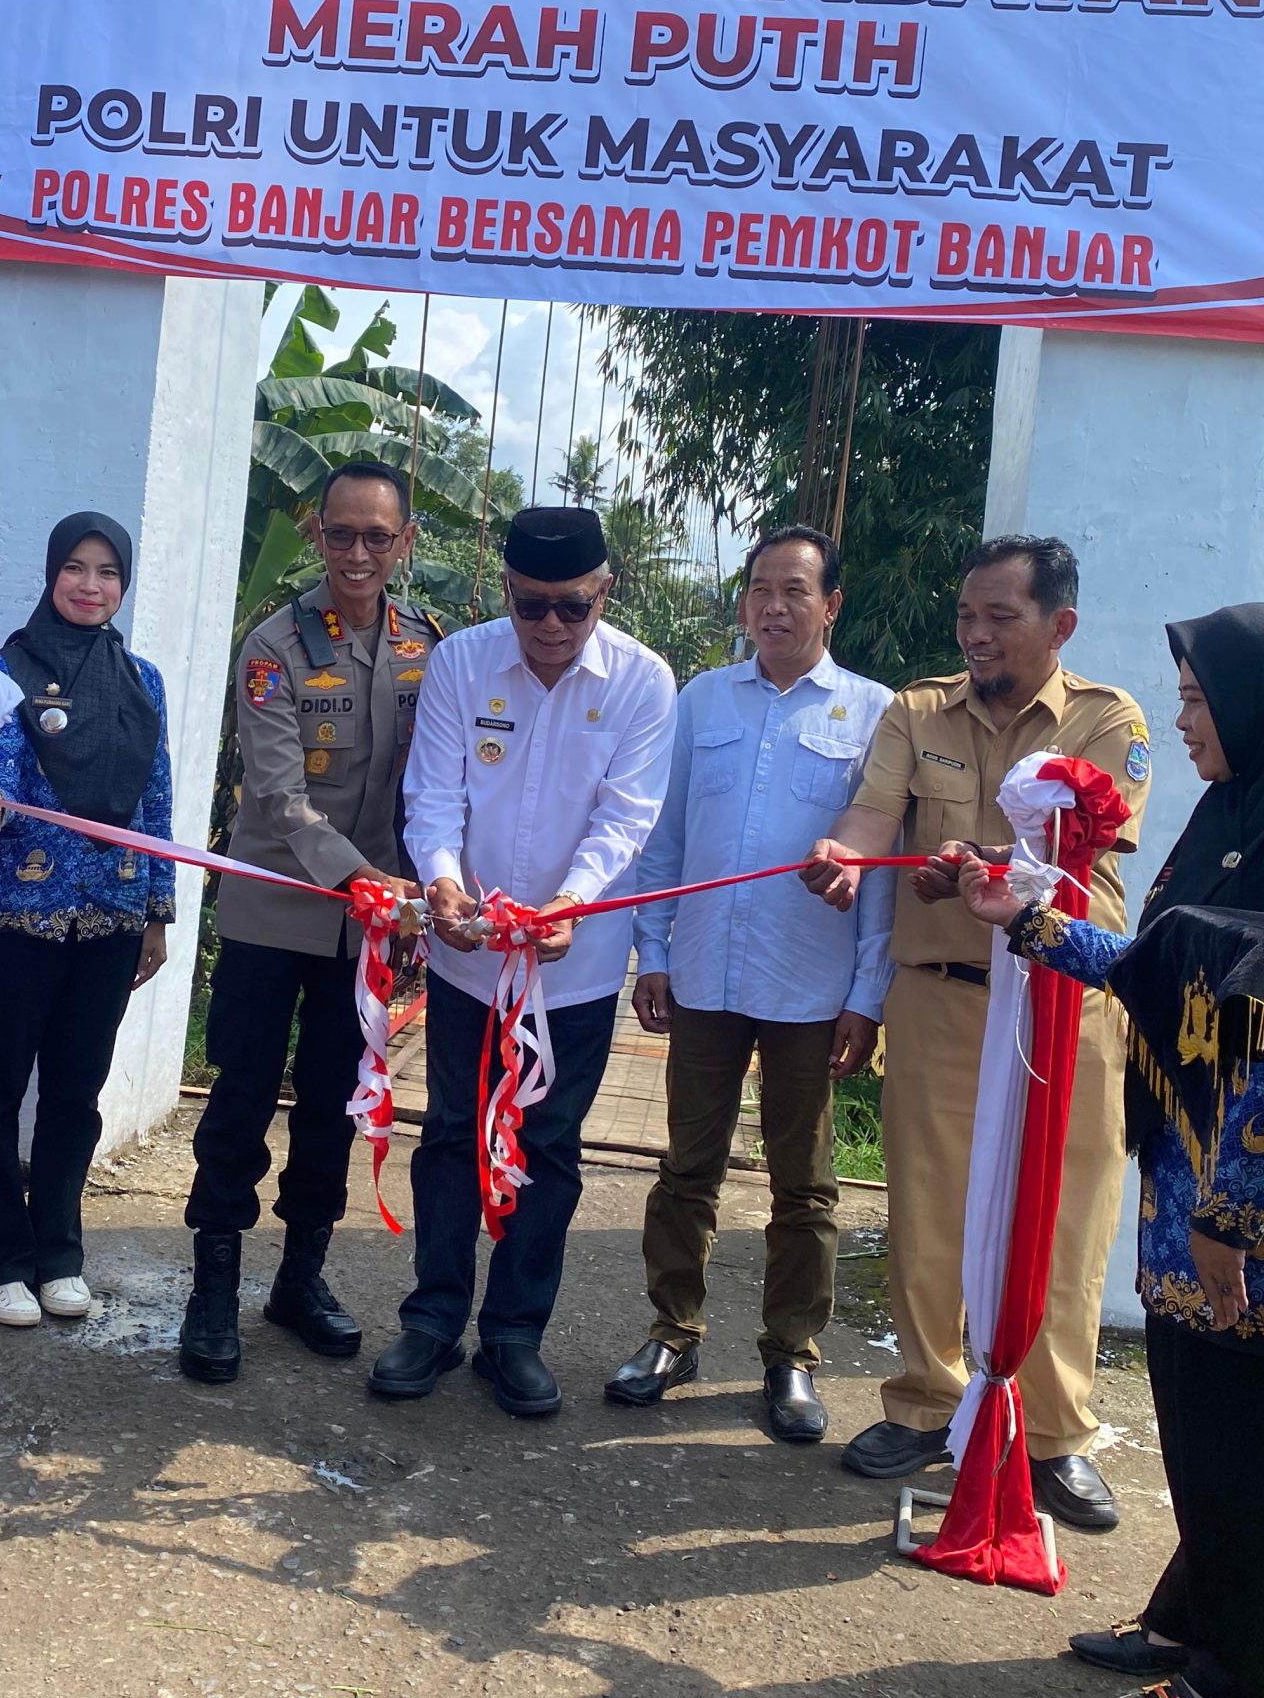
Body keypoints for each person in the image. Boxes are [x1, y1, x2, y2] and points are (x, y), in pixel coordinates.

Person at [964, 605, 1264, 1698]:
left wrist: (1232, 1217)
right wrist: (1025, 920)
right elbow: (1164, 971)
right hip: (1196, 1180)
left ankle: (1257, 1672)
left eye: (1199, 700)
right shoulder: (1241, 821)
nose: (1181, 722)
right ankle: (1193, 1621)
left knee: (1260, 1447)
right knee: (1203, 1426)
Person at [800, 534, 1149, 1530]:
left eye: (1001, 616)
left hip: (1062, 1002)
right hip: (942, 1000)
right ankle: (926, 1403)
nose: (977, 634)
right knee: (928, 1210)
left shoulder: (1107, 719)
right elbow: (874, 816)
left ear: (1059, 625)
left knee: (1066, 1220)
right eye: (967, 615)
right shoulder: (918, 712)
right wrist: (842, 853)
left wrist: (972, 859)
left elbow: (1084, 845)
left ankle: (1052, 1435)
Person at [370, 506, 677, 1417]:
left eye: (572, 606)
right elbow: (435, 793)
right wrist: (442, 881)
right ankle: (432, 1319)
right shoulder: (462, 663)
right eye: (530, 604)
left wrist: (570, 902)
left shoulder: (642, 681)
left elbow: (627, 818)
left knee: (548, 1145)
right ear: (505, 590)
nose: (549, 624)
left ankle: (514, 1334)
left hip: (575, 968)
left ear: (605, 592)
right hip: (468, 958)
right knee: (450, 1134)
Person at [612, 525, 893, 1443]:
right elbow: (663, 837)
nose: (774, 607)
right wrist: (652, 953)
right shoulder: (702, 700)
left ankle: (791, 1357)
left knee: (804, 1186)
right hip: (703, 974)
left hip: (811, 989)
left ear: (831, 605)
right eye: (760, 589)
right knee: (686, 1168)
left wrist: (867, 995)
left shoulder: (872, 713)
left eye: (795, 591)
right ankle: (672, 1332)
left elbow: (879, 876)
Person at [180, 460, 439, 1383]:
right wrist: (369, 878)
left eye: (378, 536)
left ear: (405, 542)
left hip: (367, 934)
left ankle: (300, 1279)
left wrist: (431, 886)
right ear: (315, 533)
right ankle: (214, 1289)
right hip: (276, 912)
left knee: (335, 1101)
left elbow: (438, 781)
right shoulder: (274, 647)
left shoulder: (427, 645)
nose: (358, 553)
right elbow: (281, 798)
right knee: (242, 1097)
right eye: (341, 534)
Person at [0, 512, 175, 1327]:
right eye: (75, 567)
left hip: (112, 917)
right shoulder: (2, 673)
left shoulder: (142, 681)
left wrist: (157, 911)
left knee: (77, 1094)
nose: (90, 585)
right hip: (18, 917)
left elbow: (155, 798)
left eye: (107, 572)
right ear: (51, 575)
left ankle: (58, 1254)